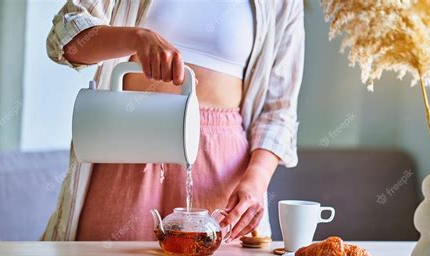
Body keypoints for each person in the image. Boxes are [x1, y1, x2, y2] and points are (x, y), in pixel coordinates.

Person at [41, 0, 304, 242]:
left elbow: (278, 111)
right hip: (127, 147)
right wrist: (137, 38)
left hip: (222, 170)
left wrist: (256, 182)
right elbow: (64, 40)